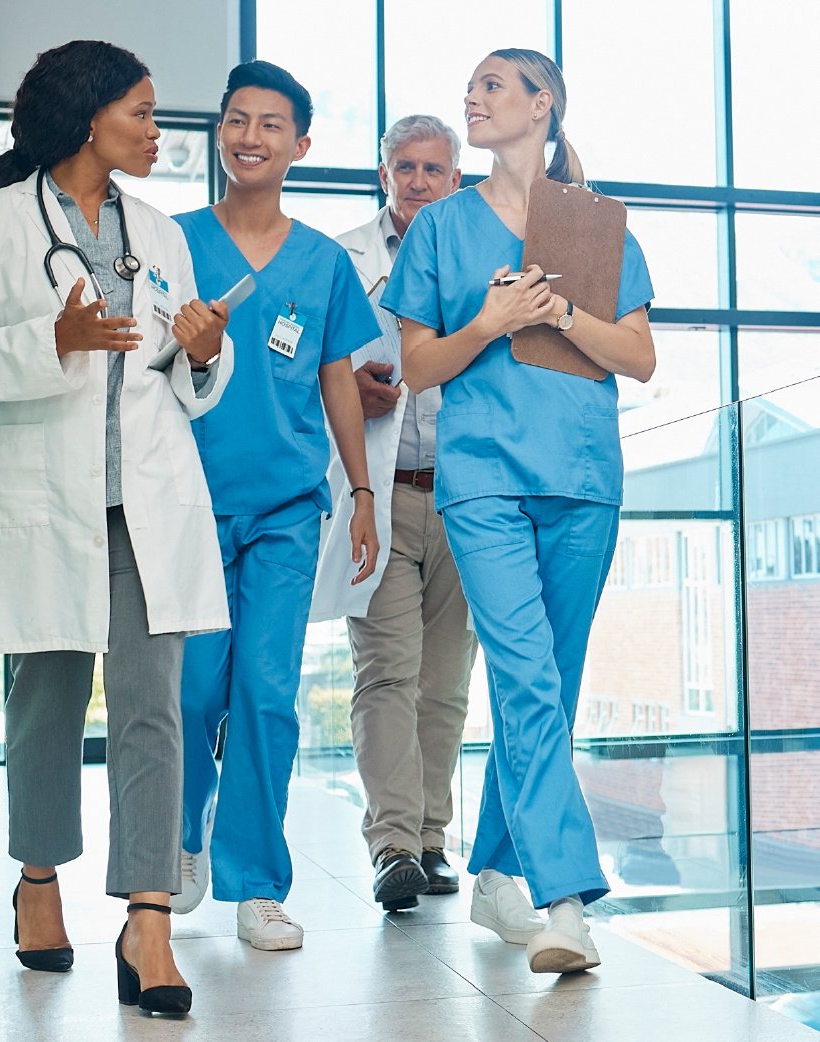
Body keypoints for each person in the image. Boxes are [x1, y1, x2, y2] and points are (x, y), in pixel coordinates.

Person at [0, 40, 234, 1015]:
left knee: (154, 712)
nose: (156, 131)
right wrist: (49, 339)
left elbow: (187, 388)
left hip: (146, 509)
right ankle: (37, 880)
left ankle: (148, 919)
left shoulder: (162, 233)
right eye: (141, 113)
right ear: (86, 115)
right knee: (45, 712)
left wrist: (202, 351)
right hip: (42, 508)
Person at [381, 48, 655, 973]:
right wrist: (490, 326)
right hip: (483, 480)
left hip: (583, 479)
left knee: (553, 690)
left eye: (493, 85)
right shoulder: (440, 229)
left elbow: (639, 355)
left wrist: (561, 316)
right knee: (528, 682)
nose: (474, 96)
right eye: (473, 87)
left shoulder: (596, 222)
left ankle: (496, 868)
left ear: (543, 104)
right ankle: (566, 900)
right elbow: (418, 367)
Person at [170, 60, 381, 951]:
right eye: (235, 121)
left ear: (300, 144)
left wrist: (362, 490)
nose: (249, 136)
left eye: (268, 124)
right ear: (219, 132)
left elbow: (339, 378)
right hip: (183, 503)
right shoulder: (173, 240)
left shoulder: (324, 263)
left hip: (290, 510)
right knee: (187, 692)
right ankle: (180, 846)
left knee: (266, 691)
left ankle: (256, 881)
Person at [310, 115, 479, 912]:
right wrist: (344, 387)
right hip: (378, 494)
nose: (417, 180)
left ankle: (434, 839)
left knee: (445, 684)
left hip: (464, 497)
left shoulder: (484, 256)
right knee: (387, 673)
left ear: (456, 178)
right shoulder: (341, 259)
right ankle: (393, 848)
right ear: (383, 173)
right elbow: (309, 370)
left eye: (433, 169)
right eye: (404, 167)